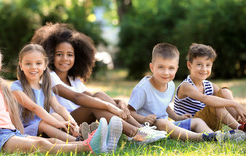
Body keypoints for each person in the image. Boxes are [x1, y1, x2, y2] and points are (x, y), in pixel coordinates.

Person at [0, 44, 122, 154]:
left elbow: (10, 114)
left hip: (9, 133)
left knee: (52, 139)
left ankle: (94, 142)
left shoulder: (0, 86)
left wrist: (20, 134)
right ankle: (89, 147)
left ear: (0, 68)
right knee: (41, 145)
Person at [31, 23, 166, 145]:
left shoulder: (74, 79)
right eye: (59, 54)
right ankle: (134, 133)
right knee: (94, 106)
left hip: (79, 121)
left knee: (99, 95)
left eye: (70, 54)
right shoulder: (49, 76)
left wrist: (119, 102)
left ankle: (142, 130)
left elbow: (92, 96)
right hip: (62, 124)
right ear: (49, 55)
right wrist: (109, 106)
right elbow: (76, 98)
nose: (65, 59)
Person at [128, 43, 245, 142]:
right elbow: (130, 111)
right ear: (152, 67)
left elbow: (165, 106)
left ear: (176, 69)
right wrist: (143, 120)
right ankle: (200, 137)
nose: (166, 73)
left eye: (171, 68)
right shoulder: (143, 88)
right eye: (161, 67)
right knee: (163, 122)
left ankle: (214, 136)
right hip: (148, 129)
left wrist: (177, 118)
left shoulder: (170, 84)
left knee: (197, 121)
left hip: (169, 126)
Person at [174, 43, 246, 138]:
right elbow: (205, 98)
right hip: (190, 125)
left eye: (208, 65)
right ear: (189, 65)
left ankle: (241, 124)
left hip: (208, 123)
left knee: (224, 91)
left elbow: (223, 95)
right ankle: (242, 129)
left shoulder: (208, 85)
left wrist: (234, 106)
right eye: (199, 64)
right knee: (214, 103)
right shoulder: (186, 86)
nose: (204, 69)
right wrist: (235, 104)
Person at [11, 43, 80, 142]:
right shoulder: (16, 87)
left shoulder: (45, 87)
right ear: (21, 66)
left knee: (55, 115)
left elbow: (58, 107)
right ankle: (79, 142)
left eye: (38, 63)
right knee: (45, 123)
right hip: (24, 131)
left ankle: (79, 134)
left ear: (44, 66)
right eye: (28, 64)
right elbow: (35, 108)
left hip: (45, 126)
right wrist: (57, 123)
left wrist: (73, 123)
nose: (33, 67)